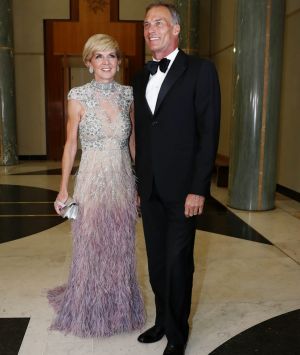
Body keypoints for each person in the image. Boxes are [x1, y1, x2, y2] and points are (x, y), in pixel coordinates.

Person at [133, 2, 220, 355]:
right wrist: (139, 185)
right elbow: (142, 133)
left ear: (176, 28)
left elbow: (208, 133)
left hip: (184, 190)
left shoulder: (200, 70)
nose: (151, 28)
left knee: (178, 262)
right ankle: (162, 321)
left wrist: (199, 189)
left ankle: (178, 335)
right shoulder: (140, 75)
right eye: (146, 24)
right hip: (151, 188)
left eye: (159, 22)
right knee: (156, 261)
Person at [48, 33, 145, 337]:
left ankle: (119, 308)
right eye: (99, 56)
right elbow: (70, 144)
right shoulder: (77, 95)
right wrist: (64, 188)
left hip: (121, 178)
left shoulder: (129, 94)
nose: (106, 62)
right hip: (91, 176)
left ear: (119, 61)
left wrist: (139, 182)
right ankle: (88, 308)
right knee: (92, 243)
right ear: (88, 63)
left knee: (120, 244)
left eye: (111, 56)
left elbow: (132, 140)